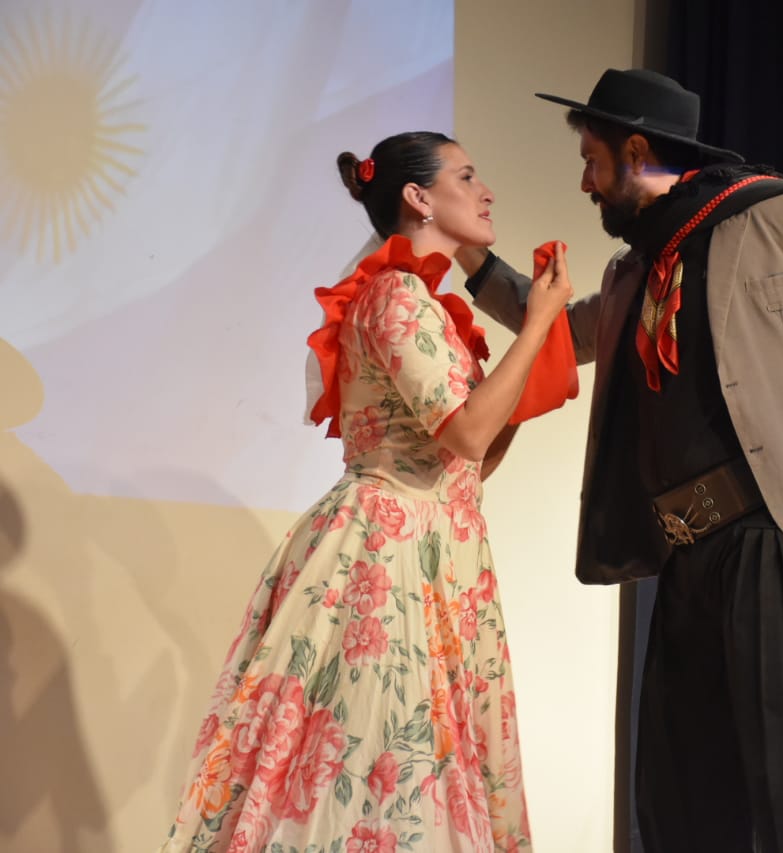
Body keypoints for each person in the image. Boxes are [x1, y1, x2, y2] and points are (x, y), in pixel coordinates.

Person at [455, 69, 783, 853]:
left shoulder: (772, 217)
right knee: (683, 801)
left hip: (781, 542)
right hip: (689, 560)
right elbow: (560, 331)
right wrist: (470, 260)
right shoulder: (636, 271)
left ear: (637, 153)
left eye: (593, 160)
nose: (585, 182)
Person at [161, 131, 572, 852]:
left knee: (430, 766)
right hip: (386, 561)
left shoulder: (428, 304)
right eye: (466, 176)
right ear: (418, 197)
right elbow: (468, 432)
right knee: (381, 766)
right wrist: (536, 321)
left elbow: (469, 460)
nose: (486, 192)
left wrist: (533, 369)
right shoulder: (395, 296)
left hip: (441, 555)